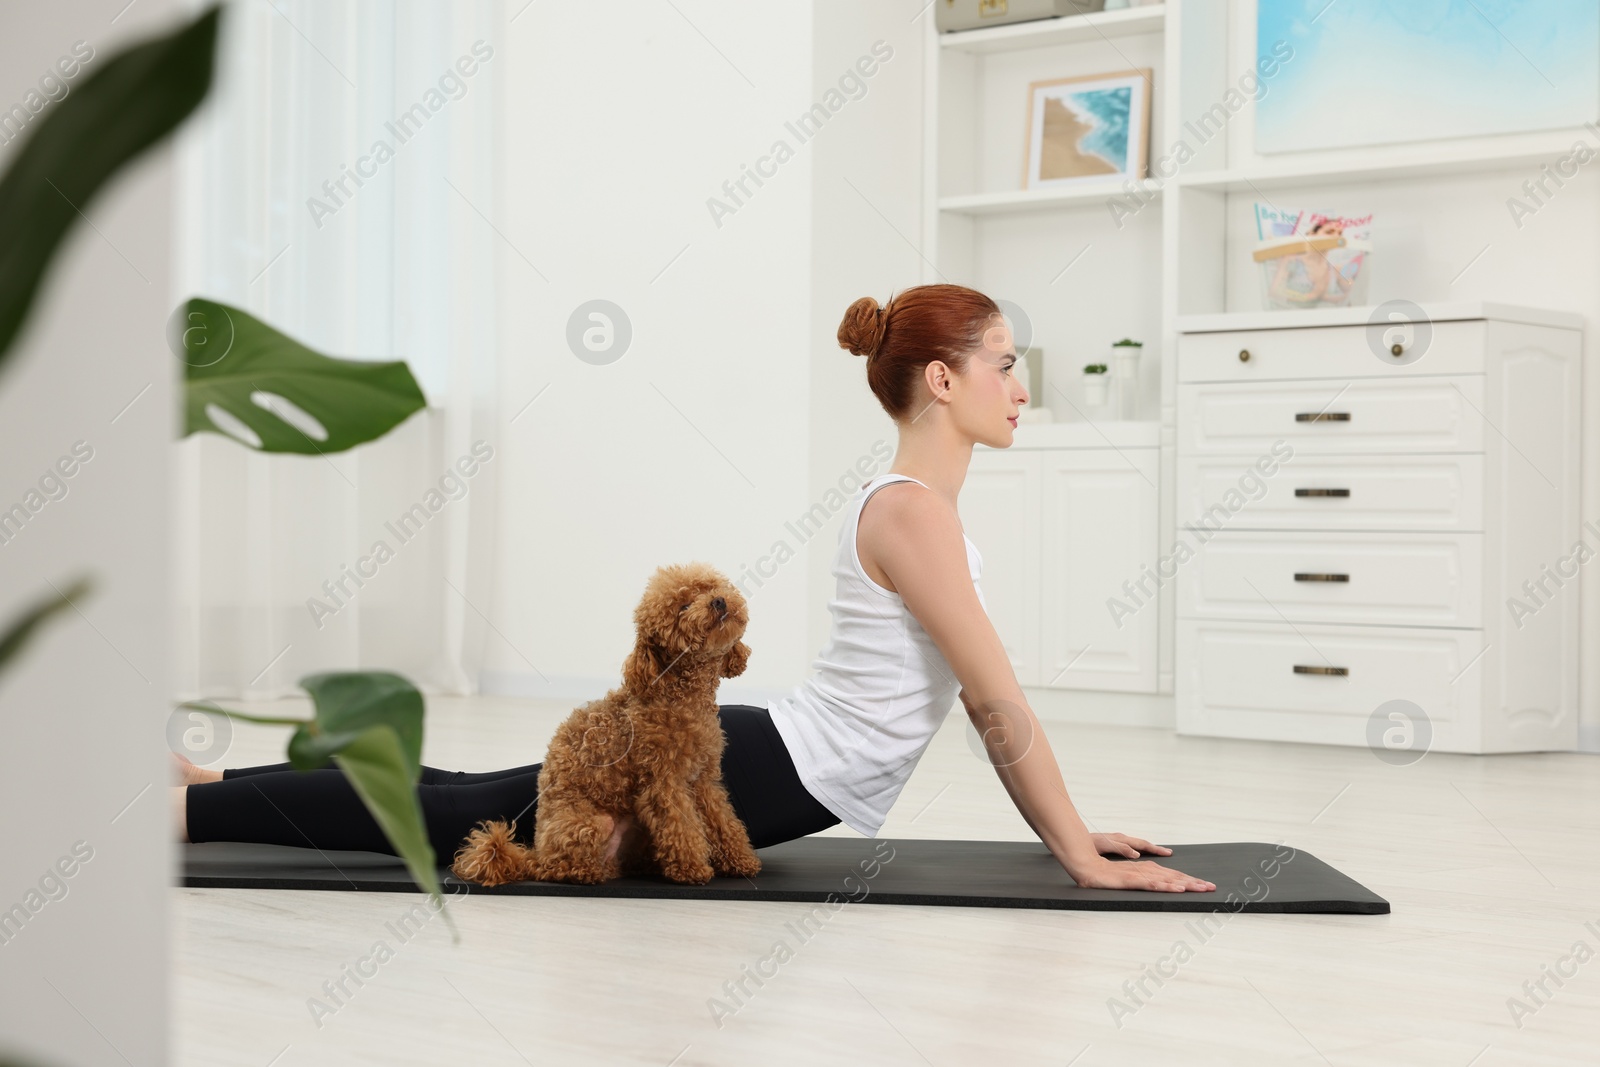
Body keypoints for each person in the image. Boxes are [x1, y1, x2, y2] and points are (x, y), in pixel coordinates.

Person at [175, 282, 1214, 894]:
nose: (1021, 385)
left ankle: (212, 790)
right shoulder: (912, 513)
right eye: (1004, 361)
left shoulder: (911, 508)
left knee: (474, 792)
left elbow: (992, 703)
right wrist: (1078, 853)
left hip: (773, 745)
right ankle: (193, 812)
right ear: (941, 379)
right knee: (472, 810)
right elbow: (995, 702)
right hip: (771, 765)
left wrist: (1072, 832)